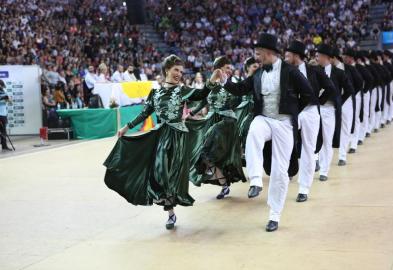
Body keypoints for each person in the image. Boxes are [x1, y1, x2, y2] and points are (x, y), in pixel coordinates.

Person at [219, 33, 317, 232]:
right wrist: (225, 82)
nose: (256, 56)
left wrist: (293, 111)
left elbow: (308, 93)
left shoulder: (290, 71)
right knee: (254, 130)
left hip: (283, 123)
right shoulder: (258, 73)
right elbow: (241, 89)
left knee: (280, 171)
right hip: (264, 118)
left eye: (258, 53)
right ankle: (255, 180)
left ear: (269, 52)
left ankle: (274, 215)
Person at [104, 55, 213, 230]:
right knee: (159, 169)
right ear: (166, 70)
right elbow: (145, 113)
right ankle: (169, 211)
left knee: (169, 173)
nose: (179, 73)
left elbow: (201, 94)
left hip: (178, 136)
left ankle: (170, 209)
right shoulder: (155, 93)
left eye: (181, 71)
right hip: (162, 134)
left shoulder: (182, 90)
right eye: (176, 70)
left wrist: (212, 82)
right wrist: (126, 127)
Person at [285, 40, 337, 202]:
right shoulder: (284, 71)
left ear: (296, 55)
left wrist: (317, 102)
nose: (285, 58)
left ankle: (304, 188)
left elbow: (330, 88)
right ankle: (288, 172)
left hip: (310, 112)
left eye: (287, 55)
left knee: (308, 149)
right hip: (292, 113)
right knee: (284, 143)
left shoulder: (314, 70)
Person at [188, 56, 246, 200]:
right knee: (209, 157)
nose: (230, 71)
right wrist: (191, 113)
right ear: (218, 69)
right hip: (212, 120)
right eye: (227, 68)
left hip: (226, 122)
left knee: (207, 152)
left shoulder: (231, 85)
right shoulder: (211, 84)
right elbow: (202, 102)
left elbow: (238, 99)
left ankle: (223, 181)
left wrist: (228, 105)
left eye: (230, 68)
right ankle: (224, 185)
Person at [315, 44, 352, 180]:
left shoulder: (339, 73)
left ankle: (324, 171)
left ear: (328, 58)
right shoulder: (313, 70)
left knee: (327, 139)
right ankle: (315, 161)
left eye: (319, 56)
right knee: (313, 138)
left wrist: (339, 102)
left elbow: (349, 90)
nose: (317, 58)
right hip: (315, 109)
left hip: (330, 109)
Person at [331, 47, 358, 166]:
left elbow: (358, 83)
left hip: (345, 102)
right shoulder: (327, 69)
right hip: (332, 103)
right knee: (330, 129)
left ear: (333, 58)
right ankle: (325, 158)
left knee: (345, 128)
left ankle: (342, 156)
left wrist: (347, 95)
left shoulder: (349, 69)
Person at [0, 80, 12, 151]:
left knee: (3, 131)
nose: (1, 86)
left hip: (4, 114)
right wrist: (1, 99)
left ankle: (4, 146)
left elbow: (10, 101)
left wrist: (8, 99)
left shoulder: (4, 92)